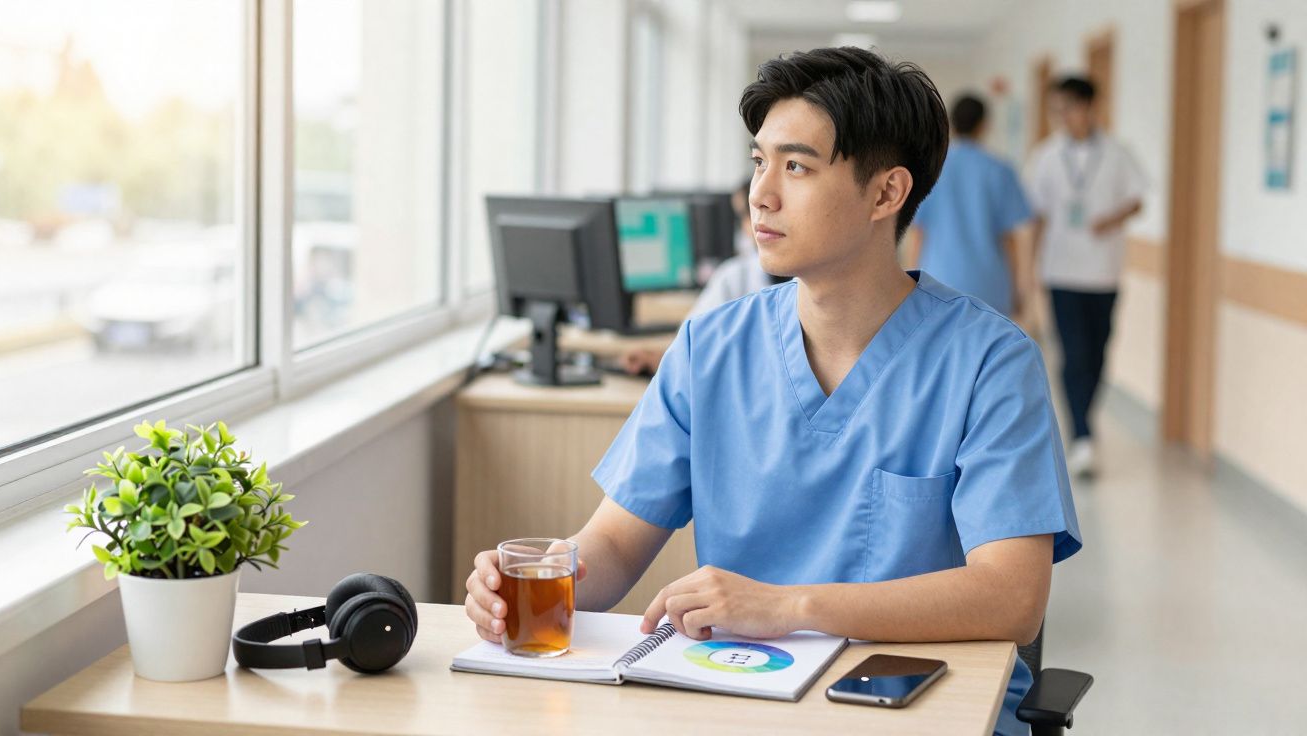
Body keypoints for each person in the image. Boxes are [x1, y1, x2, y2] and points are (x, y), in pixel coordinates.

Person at [466, 47, 1080, 736]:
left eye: (796, 166)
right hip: (743, 702)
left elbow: (1011, 598)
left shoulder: (990, 363)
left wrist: (790, 607)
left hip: (921, 711)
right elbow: (611, 545)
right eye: (760, 161)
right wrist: (541, 579)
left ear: (886, 193)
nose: (761, 193)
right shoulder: (711, 348)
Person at [1024, 76, 1146, 478]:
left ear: (1090, 107)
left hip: (1104, 272)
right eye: (1055, 109)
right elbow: (1037, 215)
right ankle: (1082, 436)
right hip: (1061, 270)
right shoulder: (1046, 155)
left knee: (1097, 354)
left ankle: (1083, 424)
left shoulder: (1116, 153)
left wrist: (1111, 219)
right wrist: (1031, 268)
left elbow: (1136, 200)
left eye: (1068, 107)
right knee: (1073, 354)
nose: (1061, 117)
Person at [620, 178, 787, 375]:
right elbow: (689, 348)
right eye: (745, 215)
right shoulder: (735, 276)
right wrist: (662, 359)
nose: (747, 225)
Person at [911, 93, 1032, 317]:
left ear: (950, 123)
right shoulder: (1000, 170)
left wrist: (910, 287)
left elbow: (919, 233)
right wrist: (1017, 289)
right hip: (989, 285)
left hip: (937, 280)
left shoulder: (931, 169)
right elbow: (1009, 239)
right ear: (985, 125)